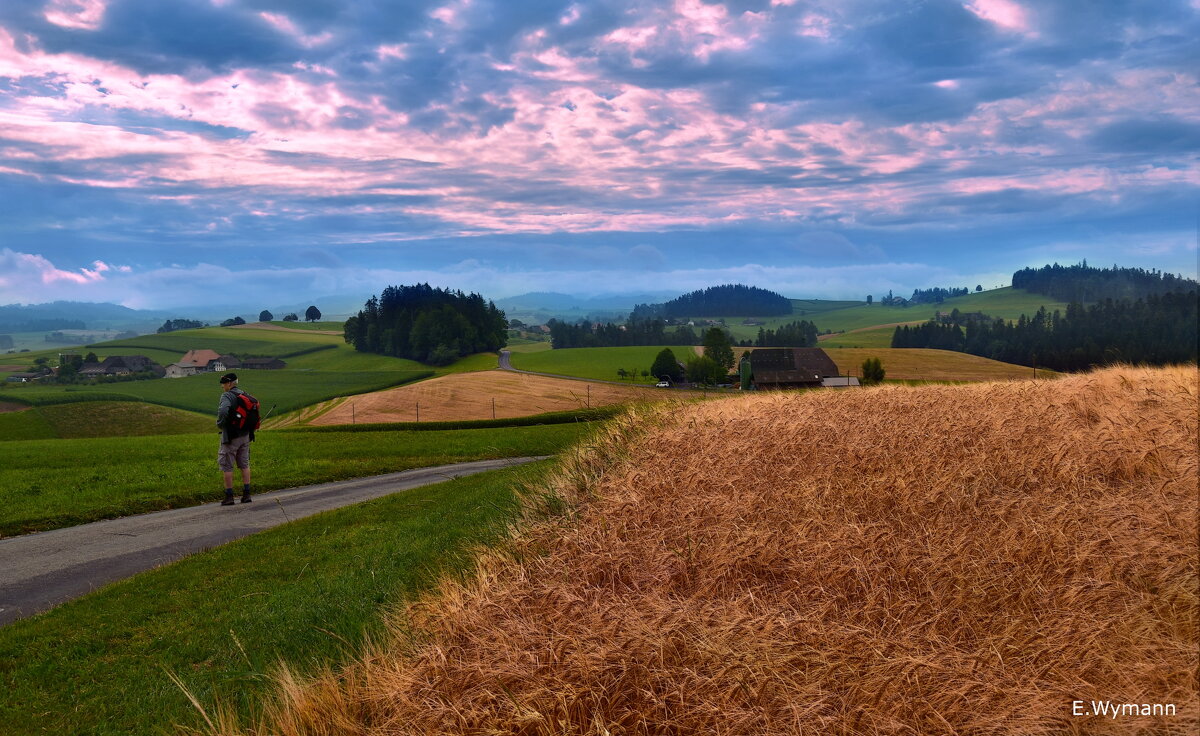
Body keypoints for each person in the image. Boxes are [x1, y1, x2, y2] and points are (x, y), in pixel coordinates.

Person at [216, 372, 254, 505]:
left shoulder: (227, 395)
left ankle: (229, 496)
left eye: (224, 384)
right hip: (246, 435)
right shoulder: (244, 394)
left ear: (230, 383)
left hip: (231, 436)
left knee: (227, 465)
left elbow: (223, 411)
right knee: (244, 464)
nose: (222, 386)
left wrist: (220, 424)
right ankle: (247, 494)